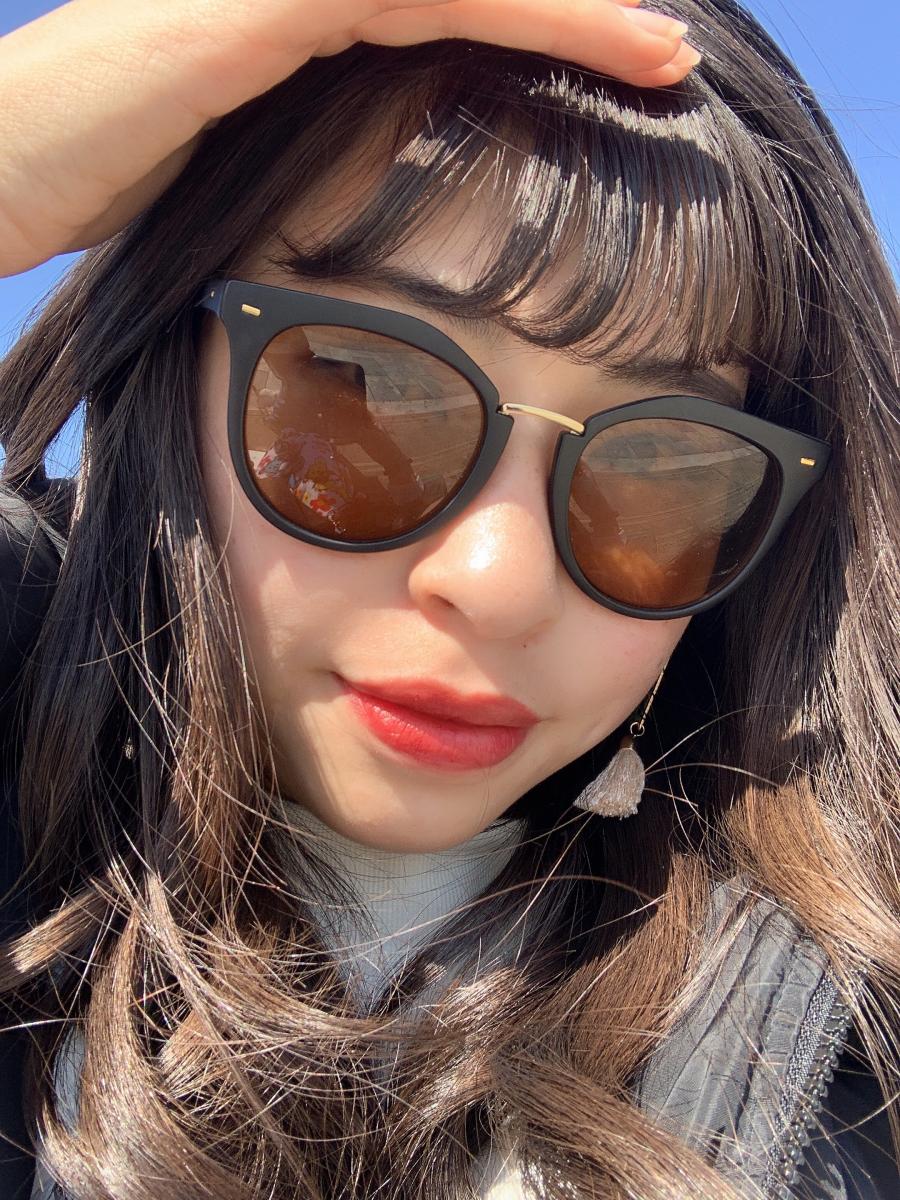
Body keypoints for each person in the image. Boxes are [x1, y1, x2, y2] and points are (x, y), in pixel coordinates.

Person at [0, 0, 896, 1197]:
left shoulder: (854, 1058)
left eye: (662, 473)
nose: (498, 583)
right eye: (364, 396)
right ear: (170, 370)